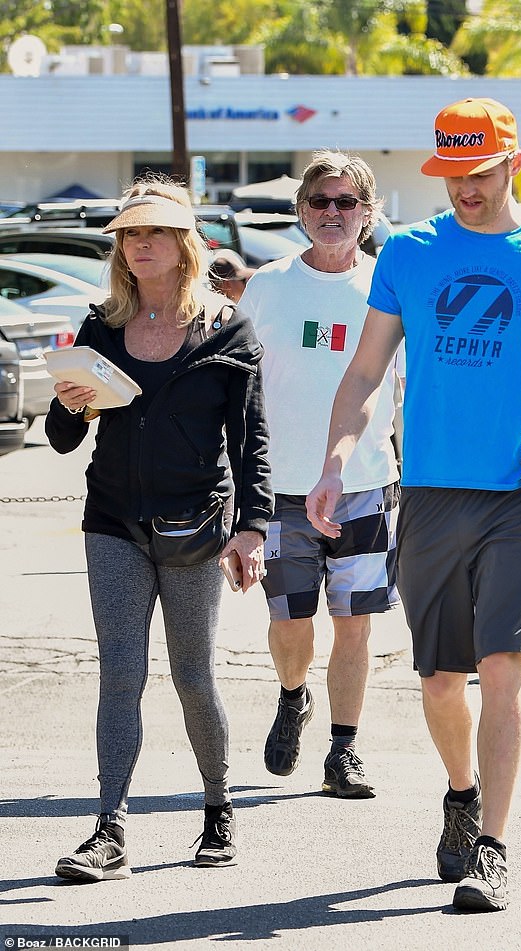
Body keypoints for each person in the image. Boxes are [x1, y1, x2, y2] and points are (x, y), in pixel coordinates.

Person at [306, 99, 521, 910]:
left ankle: (494, 849)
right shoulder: (410, 253)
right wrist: (337, 458)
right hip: (434, 492)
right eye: (450, 175)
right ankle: (461, 792)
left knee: (501, 673)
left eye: (477, 174)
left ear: (513, 163)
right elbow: (367, 372)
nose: (462, 191)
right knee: (442, 681)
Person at [45, 173, 273, 881]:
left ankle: (218, 807)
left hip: (196, 524)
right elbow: (59, 436)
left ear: (183, 244)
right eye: (129, 234)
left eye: (154, 232)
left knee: (193, 676)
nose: (139, 244)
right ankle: (108, 828)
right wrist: (73, 403)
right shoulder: (100, 326)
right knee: (120, 672)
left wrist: (253, 526)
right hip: (112, 519)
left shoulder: (226, 327)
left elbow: (251, 438)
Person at [239, 150, 403, 799]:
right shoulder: (271, 284)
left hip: (365, 483)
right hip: (280, 487)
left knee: (355, 620)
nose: (332, 213)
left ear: (367, 213)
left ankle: (344, 748)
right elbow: (237, 383)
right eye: (320, 202)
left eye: (346, 202)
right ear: (302, 211)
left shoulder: (387, 286)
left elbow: (410, 382)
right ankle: (292, 694)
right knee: (290, 620)